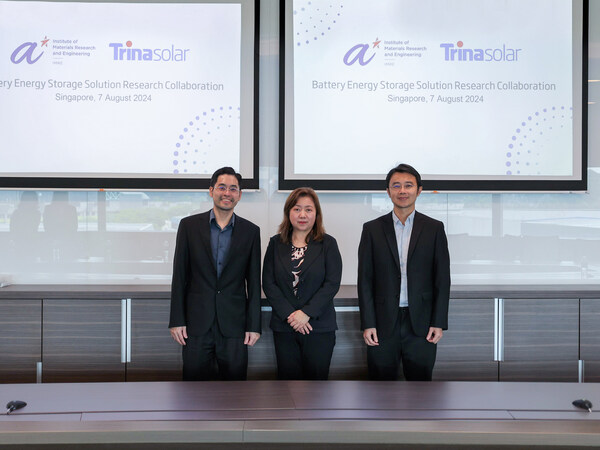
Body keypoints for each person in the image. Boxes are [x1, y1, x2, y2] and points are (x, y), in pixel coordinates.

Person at [358, 164, 450, 381]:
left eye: (408, 186)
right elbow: (365, 280)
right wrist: (368, 323)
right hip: (382, 323)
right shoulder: (372, 229)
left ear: (419, 190)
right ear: (388, 191)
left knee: (421, 387)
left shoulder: (434, 228)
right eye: (396, 186)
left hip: (421, 323)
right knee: (380, 387)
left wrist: (438, 322)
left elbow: (442, 279)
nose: (402, 191)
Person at [169, 167, 261, 381]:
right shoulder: (189, 226)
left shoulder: (251, 231)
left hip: (234, 327)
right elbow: (179, 276)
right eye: (221, 187)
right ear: (211, 191)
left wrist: (253, 325)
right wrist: (176, 320)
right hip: (196, 325)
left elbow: (254, 282)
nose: (227, 193)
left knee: (235, 392)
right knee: (193, 392)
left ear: (239, 194)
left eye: (233, 189)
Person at [262, 187, 342, 380]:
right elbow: (268, 283)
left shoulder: (328, 244)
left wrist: (306, 314)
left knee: (317, 387)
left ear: (316, 214)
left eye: (308, 209)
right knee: (288, 386)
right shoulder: (275, 243)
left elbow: (332, 283)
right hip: (285, 327)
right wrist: (292, 316)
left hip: (319, 327)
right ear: (288, 212)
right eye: (297, 209)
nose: (302, 214)